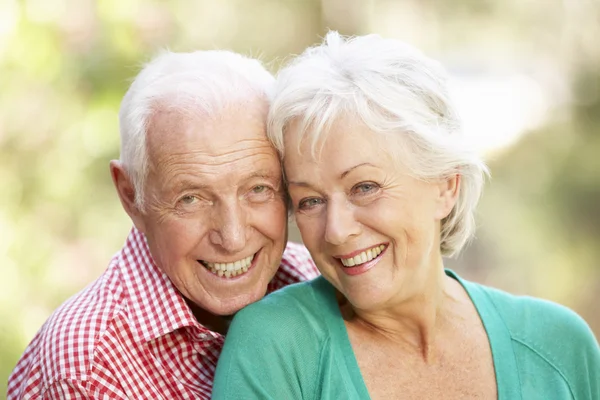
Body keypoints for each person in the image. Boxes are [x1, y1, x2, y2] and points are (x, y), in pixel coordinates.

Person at [212, 32, 600, 399]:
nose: (336, 231)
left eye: (364, 188)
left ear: (446, 186)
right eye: (310, 201)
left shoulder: (560, 346)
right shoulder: (276, 347)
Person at [7, 50, 319, 399]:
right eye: (191, 198)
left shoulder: (317, 280)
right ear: (131, 195)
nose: (232, 237)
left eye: (258, 189)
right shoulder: (88, 368)